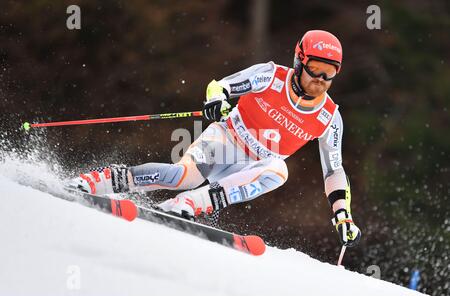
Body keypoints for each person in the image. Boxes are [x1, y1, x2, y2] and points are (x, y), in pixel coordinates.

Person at [70, 30, 361, 247]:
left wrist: (343, 215)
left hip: (254, 166)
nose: (321, 79)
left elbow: (334, 170)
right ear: (299, 60)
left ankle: (188, 205)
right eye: (315, 69)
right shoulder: (270, 77)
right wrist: (216, 100)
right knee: (180, 176)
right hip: (227, 140)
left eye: (330, 72)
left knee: (279, 171)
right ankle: (102, 180)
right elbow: (220, 86)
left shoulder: (329, 117)